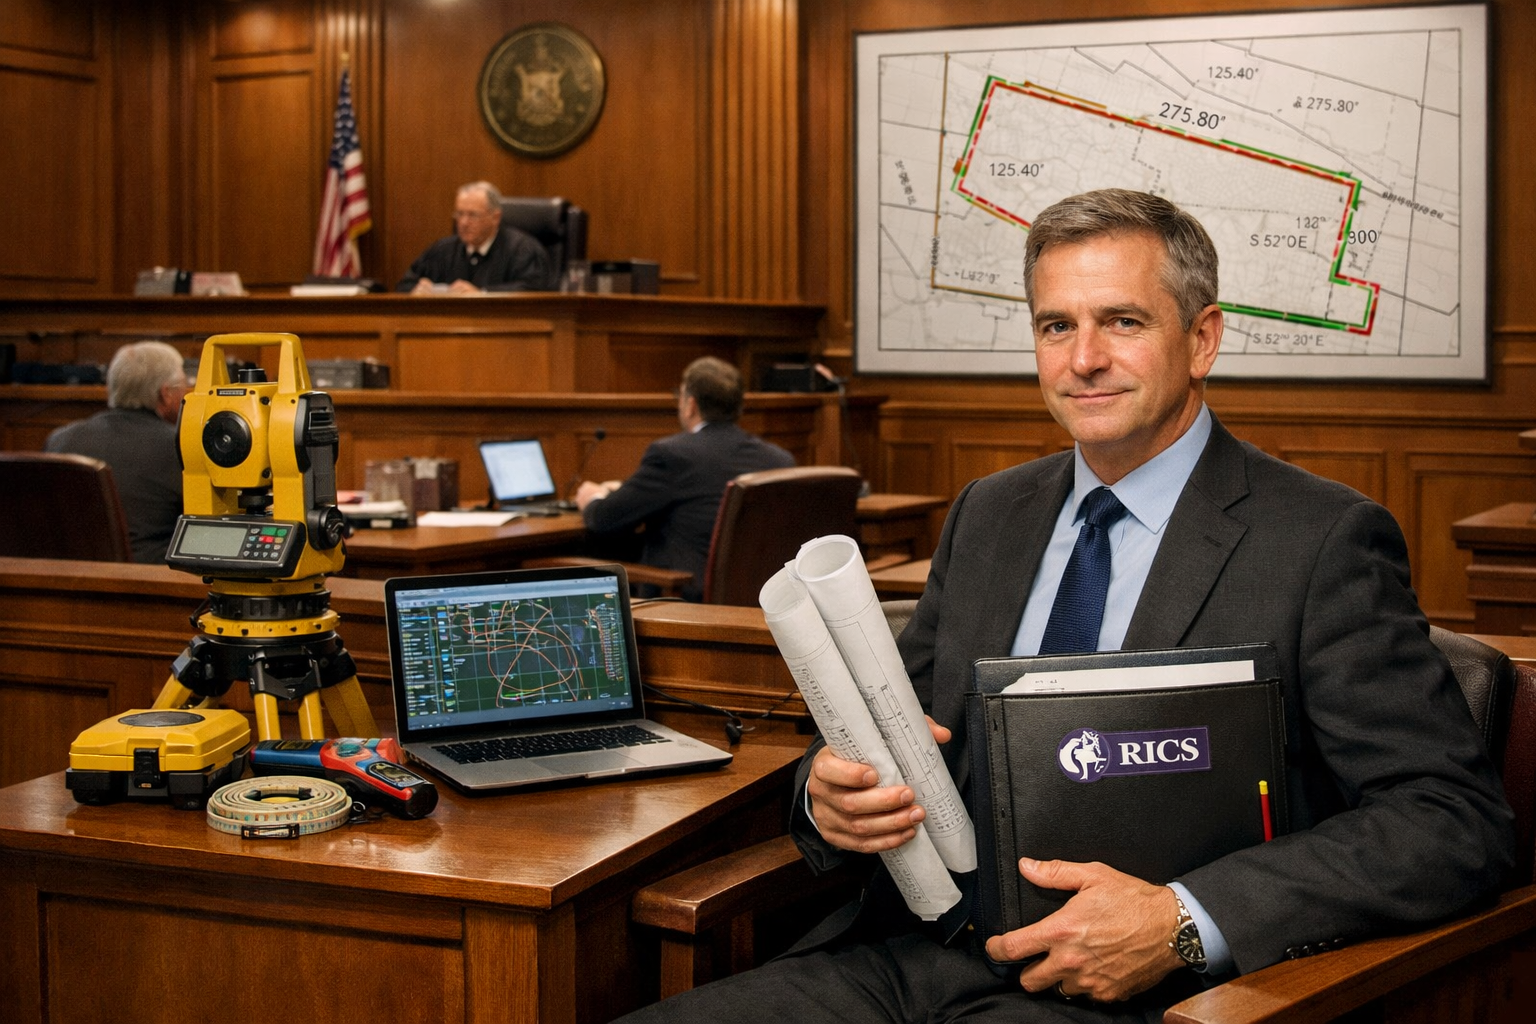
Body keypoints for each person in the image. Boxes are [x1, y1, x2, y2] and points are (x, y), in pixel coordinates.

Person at [614, 190, 1515, 1022]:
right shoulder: (990, 513)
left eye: (1122, 322)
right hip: (900, 958)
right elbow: (901, 724)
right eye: (1057, 325)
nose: (1083, 359)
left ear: (1203, 339)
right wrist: (828, 797)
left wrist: (1183, 920)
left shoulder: (1321, 541)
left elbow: (1448, 820)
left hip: (1134, 998)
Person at [577, 356, 794, 602]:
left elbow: (605, 517)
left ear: (690, 405)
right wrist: (625, 488)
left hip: (685, 602)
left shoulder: (672, 455)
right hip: (760, 602)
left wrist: (592, 497)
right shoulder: (779, 459)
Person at [45, 340, 188, 564]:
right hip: (151, 583)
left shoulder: (60, 439)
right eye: (184, 384)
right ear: (166, 394)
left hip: (69, 576)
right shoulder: (179, 445)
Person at [395, 180, 550, 294]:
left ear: (495, 217)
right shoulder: (442, 250)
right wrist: (417, 289)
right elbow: (404, 284)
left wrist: (482, 293)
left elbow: (534, 290)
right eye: (460, 214)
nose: (463, 223)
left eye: (472, 215)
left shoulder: (522, 250)